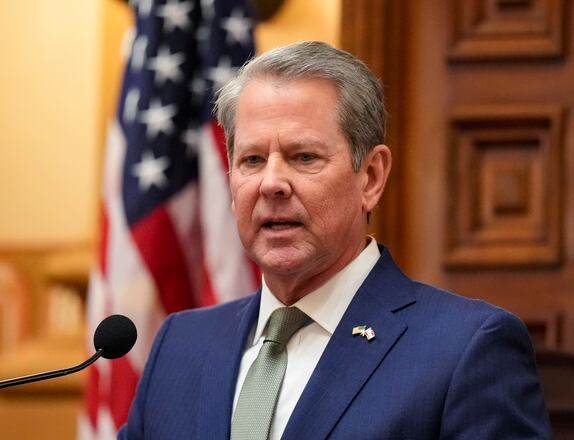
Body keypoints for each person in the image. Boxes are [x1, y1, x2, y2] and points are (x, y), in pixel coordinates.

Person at [119, 41, 551, 439]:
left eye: (303, 157)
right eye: (251, 160)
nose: (272, 183)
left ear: (372, 177)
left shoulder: (465, 350)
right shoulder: (179, 346)